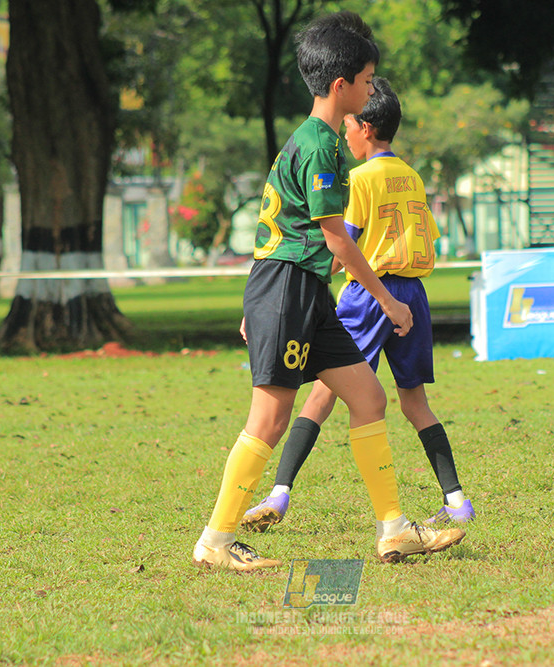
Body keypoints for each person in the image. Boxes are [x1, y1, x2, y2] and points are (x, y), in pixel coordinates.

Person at [191, 11, 465, 572]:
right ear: (341, 86)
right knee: (269, 417)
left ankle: (394, 530)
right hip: (288, 288)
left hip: (301, 291)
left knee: (369, 398)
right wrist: (386, 301)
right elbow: (335, 238)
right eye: (366, 81)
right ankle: (215, 542)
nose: (371, 91)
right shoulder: (319, 145)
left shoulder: (325, 143)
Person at [241, 77, 474, 533]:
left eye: (349, 124)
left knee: (322, 394)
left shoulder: (359, 178)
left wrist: (287, 293)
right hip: (414, 294)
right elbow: (430, 236)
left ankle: (279, 493)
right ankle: (456, 499)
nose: (344, 132)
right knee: (415, 403)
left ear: (365, 128)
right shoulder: (412, 175)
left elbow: (342, 244)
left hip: (372, 294)